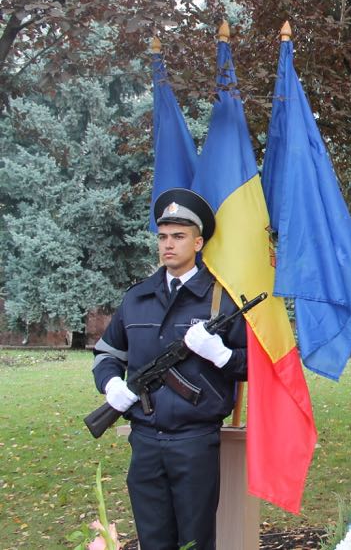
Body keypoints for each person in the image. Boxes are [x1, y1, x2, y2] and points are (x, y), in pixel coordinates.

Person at [92, 188, 247, 550]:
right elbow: (107, 353)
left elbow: (255, 365)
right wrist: (111, 384)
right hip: (144, 442)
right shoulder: (138, 297)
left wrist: (222, 355)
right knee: (153, 540)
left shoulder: (220, 300)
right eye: (163, 237)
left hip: (194, 443)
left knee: (194, 540)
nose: (168, 245)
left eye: (178, 237)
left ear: (198, 242)